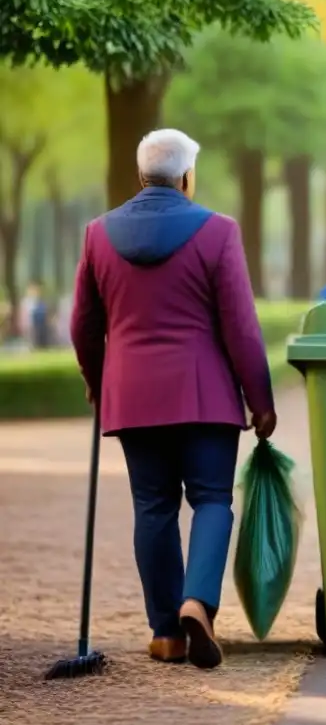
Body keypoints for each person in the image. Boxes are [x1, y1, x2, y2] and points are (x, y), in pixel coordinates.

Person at [70, 128, 277, 670]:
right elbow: (241, 327)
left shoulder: (97, 235)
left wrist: (98, 380)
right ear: (187, 176)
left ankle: (166, 633)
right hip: (205, 395)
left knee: (153, 507)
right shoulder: (218, 232)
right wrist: (260, 399)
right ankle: (197, 601)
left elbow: (83, 327)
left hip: (133, 399)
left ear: (142, 176)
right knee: (211, 500)